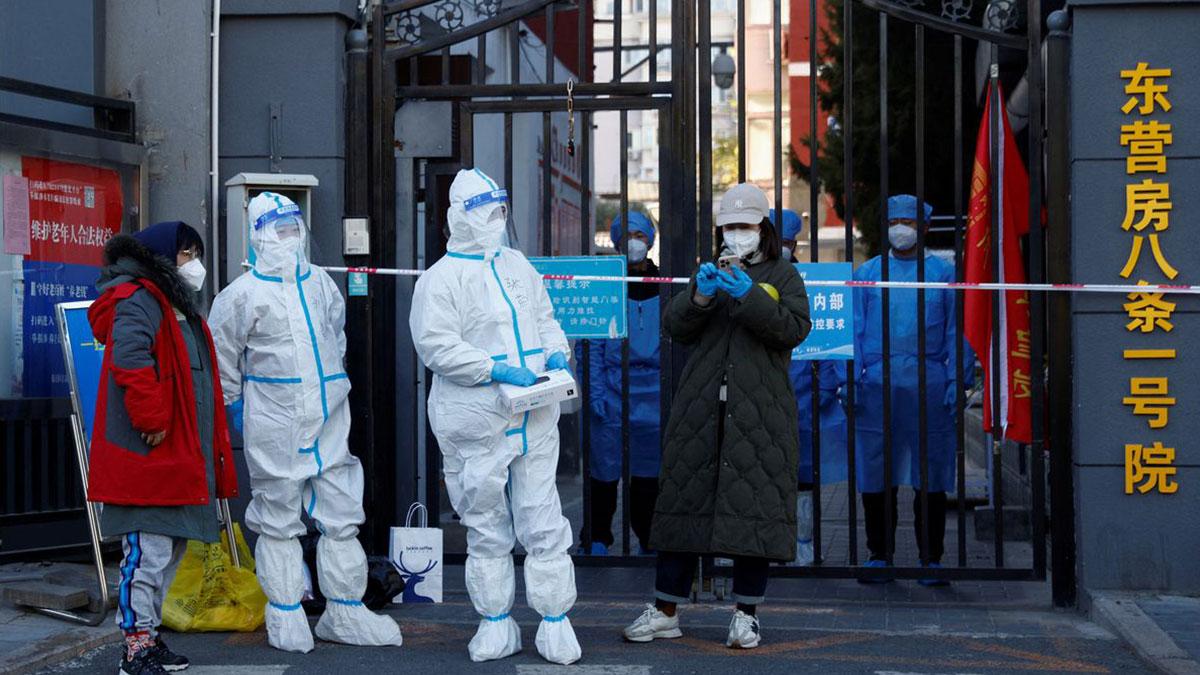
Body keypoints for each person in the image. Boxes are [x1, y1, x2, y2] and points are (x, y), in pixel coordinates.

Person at [208, 192, 402, 653]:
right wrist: (235, 405)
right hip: (275, 418)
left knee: (341, 513)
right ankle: (286, 612)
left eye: (296, 228)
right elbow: (223, 359)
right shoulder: (240, 296)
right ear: (258, 235)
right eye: (281, 230)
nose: (291, 238)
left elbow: (335, 333)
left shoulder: (319, 282)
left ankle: (346, 611)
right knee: (278, 517)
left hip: (330, 413)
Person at [623, 184, 811, 650]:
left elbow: (793, 330)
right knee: (683, 504)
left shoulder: (784, 275)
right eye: (729, 227)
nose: (736, 234)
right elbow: (676, 328)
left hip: (759, 410)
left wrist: (751, 295)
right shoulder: (708, 270)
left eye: (744, 226)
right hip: (702, 407)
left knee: (754, 510)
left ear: (762, 228)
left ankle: (746, 614)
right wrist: (701, 296)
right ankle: (666, 609)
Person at [409, 168, 581, 665]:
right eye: (486, 212)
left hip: (534, 414)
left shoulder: (516, 265)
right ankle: (494, 623)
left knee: (543, 517)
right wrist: (493, 369)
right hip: (476, 419)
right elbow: (437, 346)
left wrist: (554, 354)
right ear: (460, 218)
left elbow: (545, 317)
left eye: (500, 211)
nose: (496, 221)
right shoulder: (440, 280)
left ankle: (555, 621)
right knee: (485, 523)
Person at [87, 221, 239, 675]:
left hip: (176, 454)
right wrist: (151, 419)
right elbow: (130, 359)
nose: (193, 263)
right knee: (147, 553)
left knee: (168, 551)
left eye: (195, 252)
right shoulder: (140, 299)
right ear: (161, 257)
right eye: (186, 253)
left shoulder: (174, 304)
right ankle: (135, 648)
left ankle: (148, 641)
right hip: (148, 452)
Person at [846, 194, 973, 585]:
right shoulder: (868, 272)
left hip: (929, 382)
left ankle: (930, 558)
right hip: (876, 383)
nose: (901, 228)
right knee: (875, 471)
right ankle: (879, 555)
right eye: (895, 220)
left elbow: (959, 332)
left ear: (925, 227)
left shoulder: (942, 274)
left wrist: (958, 379)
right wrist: (848, 378)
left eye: (910, 221)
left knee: (930, 473)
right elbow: (853, 328)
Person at [577, 211, 661, 556]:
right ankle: (597, 537)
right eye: (626, 235)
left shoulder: (665, 284)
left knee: (648, 477)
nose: (634, 242)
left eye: (640, 235)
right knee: (603, 473)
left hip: (655, 397)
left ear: (650, 240)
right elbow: (592, 346)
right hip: (611, 395)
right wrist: (594, 392)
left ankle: (649, 537)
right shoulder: (606, 285)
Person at [771, 209, 848, 566]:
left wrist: (828, 385)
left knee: (804, 476)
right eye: (778, 242)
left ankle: (803, 542)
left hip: (806, 395)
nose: (783, 248)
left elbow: (832, 339)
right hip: (762, 392)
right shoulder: (750, 278)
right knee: (764, 474)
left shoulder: (815, 282)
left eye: (788, 243)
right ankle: (766, 544)